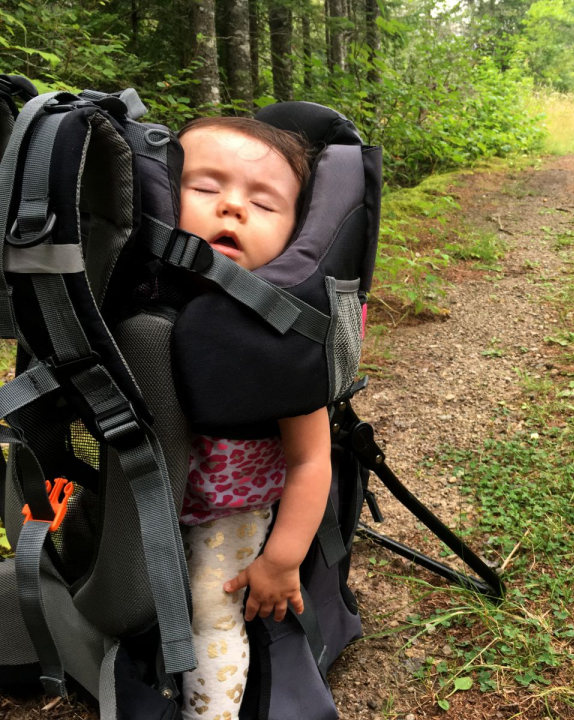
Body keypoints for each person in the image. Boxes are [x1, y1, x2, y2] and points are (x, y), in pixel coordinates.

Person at [175, 117, 331, 720]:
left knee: (209, 616)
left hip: (229, 514)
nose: (232, 207)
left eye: (263, 201)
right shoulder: (137, 298)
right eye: (205, 188)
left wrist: (281, 559)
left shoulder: (281, 335)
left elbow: (311, 459)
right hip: (144, 500)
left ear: (296, 232)